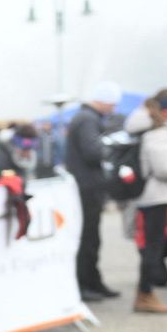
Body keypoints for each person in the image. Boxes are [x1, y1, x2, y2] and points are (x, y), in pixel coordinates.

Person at [123, 89, 167, 314]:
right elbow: (164, 168)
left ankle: (145, 293)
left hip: (150, 195)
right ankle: (145, 294)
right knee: (153, 247)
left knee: (152, 246)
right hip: (156, 196)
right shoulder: (158, 132)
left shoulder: (149, 129)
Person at [66, 81, 122, 300]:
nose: (114, 109)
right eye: (112, 104)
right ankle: (85, 284)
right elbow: (92, 152)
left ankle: (92, 281)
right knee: (88, 237)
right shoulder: (88, 119)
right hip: (87, 186)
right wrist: (111, 146)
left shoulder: (85, 117)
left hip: (87, 185)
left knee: (91, 237)